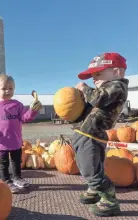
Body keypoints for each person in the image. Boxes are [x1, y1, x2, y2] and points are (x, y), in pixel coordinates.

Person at [73, 52, 129, 217]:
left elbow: (98, 98)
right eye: (92, 75)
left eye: (98, 73)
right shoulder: (107, 88)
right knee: (89, 165)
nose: (93, 78)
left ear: (116, 72)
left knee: (90, 169)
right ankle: (94, 190)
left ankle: (109, 200)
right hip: (87, 133)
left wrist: (84, 89)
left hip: (92, 135)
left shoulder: (116, 86)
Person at [0, 73, 42, 193]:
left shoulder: (17, 105)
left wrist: (32, 111)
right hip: (1, 142)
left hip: (15, 140)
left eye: (10, 88)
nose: (7, 91)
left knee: (17, 161)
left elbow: (25, 117)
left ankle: (17, 178)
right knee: (3, 163)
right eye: (4, 88)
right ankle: (6, 181)